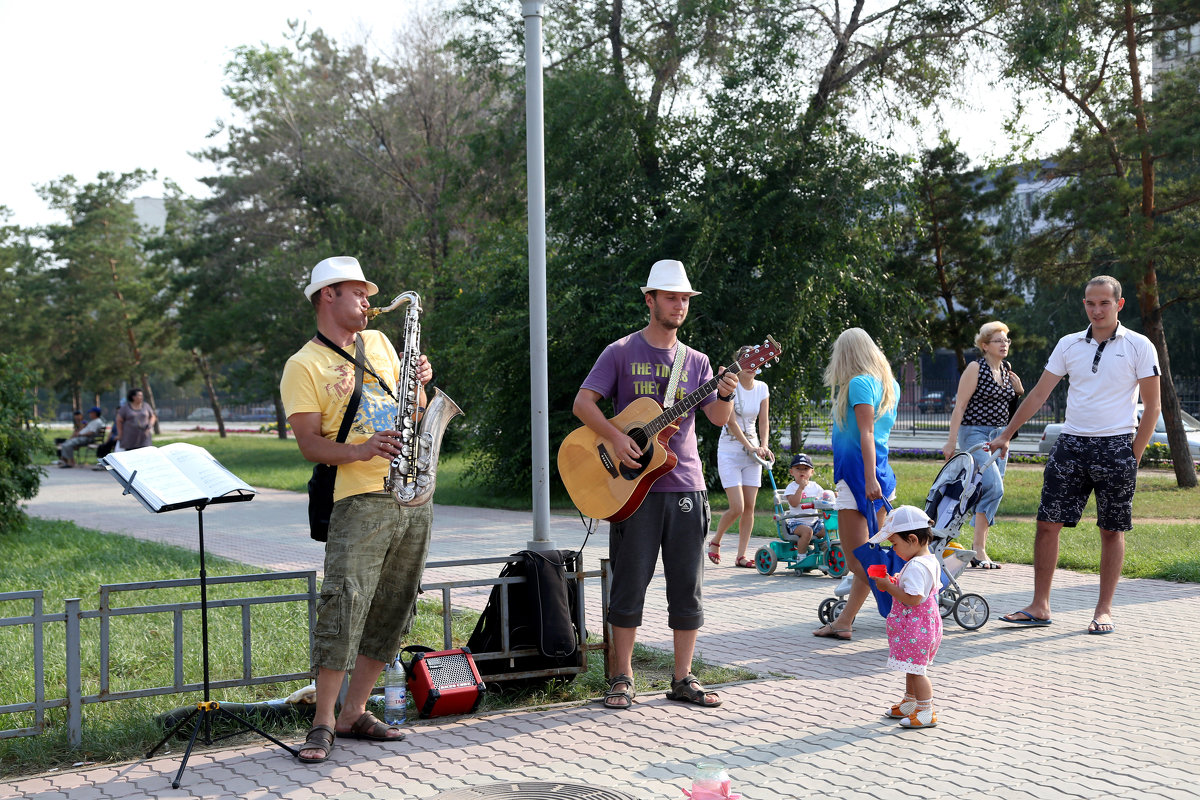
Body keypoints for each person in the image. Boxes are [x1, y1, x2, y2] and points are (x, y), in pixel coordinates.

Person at [281, 255, 435, 763]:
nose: (369, 302)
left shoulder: (384, 345)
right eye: (358, 293)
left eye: (369, 295)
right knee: (345, 604)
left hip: (412, 491)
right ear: (328, 296)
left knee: (393, 604)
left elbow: (409, 411)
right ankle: (322, 721)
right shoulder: (304, 364)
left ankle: (354, 711)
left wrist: (422, 388)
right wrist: (362, 450)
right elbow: (308, 444)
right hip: (358, 497)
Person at [572, 259, 738, 711]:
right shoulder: (621, 351)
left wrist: (724, 391)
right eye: (671, 297)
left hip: (685, 485)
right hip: (632, 491)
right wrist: (614, 436)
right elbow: (583, 403)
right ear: (650, 300)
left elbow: (719, 419)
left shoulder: (698, 361)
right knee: (630, 583)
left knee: (688, 585)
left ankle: (683, 677)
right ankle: (621, 677)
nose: (679, 305)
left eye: (685, 299)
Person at [989, 275, 1160, 635]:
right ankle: (1040, 606)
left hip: (1116, 447)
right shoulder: (1069, 344)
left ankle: (1104, 610)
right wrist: (1006, 434)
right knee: (1046, 524)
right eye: (1090, 303)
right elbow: (1037, 394)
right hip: (1070, 445)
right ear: (1084, 304)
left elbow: (1153, 406)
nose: (1096, 310)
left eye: (1104, 303)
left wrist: (1134, 455)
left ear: (1119, 304)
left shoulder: (1139, 345)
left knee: (1111, 530)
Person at [813, 328, 899, 641]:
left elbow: (867, 434)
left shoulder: (860, 384)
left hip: (859, 476)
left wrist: (868, 478)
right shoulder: (888, 385)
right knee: (871, 555)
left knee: (856, 560)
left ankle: (907, 607)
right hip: (876, 475)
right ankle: (844, 621)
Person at [943, 321, 1024, 569]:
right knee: (993, 486)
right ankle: (977, 549)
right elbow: (960, 407)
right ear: (985, 345)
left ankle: (980, 550)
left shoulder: (1007, 369)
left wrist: (1019, 389)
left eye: (1006, 340)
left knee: (988, 491)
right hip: (975, 434)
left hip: (1001, 435)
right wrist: (951, 442)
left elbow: (1011, 402)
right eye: (998, 341)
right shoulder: (975, 368)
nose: (1004, 344)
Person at [868, 505, 943, 729]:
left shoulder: (917, 566)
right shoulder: (928, 560)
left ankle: (926, 711)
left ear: (912, 539)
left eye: (895, 544)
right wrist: (896, 581)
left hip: (916, 628)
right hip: (922, 626)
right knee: (912, 667)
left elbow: (913, 599)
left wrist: (887, 587)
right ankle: (911, 703)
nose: (893, 550)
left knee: (918, 672)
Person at [707, 363, 772, 567]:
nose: (752, 367)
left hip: (753, 452)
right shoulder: (731, 386)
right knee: (737, 506)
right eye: (747, 363)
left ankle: (741, 555)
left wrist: (763, 446)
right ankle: (716, 540)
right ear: (738, 366)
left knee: (750, 508)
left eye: (756, 364)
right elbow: (730, 422)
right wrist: (749, 447)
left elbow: (764, 421)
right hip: (730, 450)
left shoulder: (762, 388)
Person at [781, 453, 825, 553]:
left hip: (814, 522)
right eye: (798, 468)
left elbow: (824, 497)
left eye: (806, 468)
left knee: (827, 529)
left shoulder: (815, 486)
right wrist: (801, 488)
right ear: (791, 472)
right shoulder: (791, 487)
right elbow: (794, 503)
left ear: (812, 472)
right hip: (796, 523)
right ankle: (801, 557)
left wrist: (832, 495)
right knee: (807, 531)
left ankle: (822, 549)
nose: (802, 471)